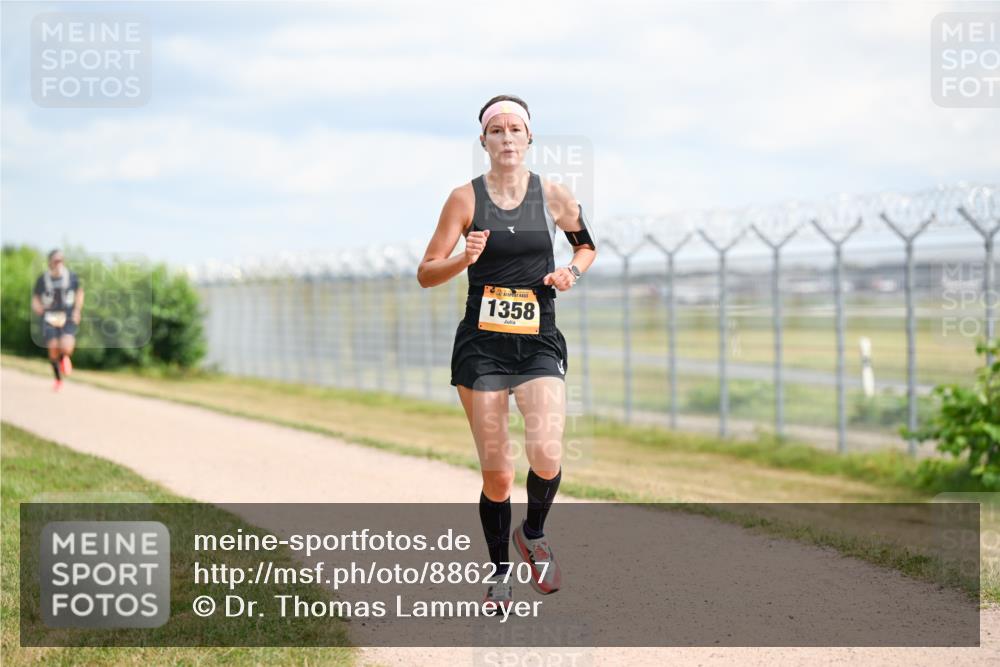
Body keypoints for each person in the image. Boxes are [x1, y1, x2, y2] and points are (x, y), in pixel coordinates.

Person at [417, 95, 597, 613]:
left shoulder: (554, 195)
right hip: (483, 346)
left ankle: (533, 534)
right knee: (497, 472)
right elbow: (426, 272)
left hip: (538, 339)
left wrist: (572, 272)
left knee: (547, 450)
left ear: (529, 138)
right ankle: (499, 574)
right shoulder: (464, 199)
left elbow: (585, 245)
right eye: (496, 130)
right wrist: (462, 258)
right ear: (484, 141)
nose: (507, 138)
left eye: (515, 129)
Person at [31, 249, 84, 392]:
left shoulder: (71, 277)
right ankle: (58, 379)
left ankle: (64, 357)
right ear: (50, 262)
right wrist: (38, 307)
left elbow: (79, 293)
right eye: (56, 260)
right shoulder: (43, 279)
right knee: (53, 348)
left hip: (67, 316)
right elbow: (35, 297)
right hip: (50, 317)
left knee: (67, 347)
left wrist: (77, 310)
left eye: (61, 260)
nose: (59, 263)